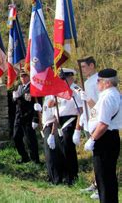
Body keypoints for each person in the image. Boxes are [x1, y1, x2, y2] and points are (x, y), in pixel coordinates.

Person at [84, 68, 121, 203]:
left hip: (104, 138)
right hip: (108, 137)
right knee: (107, 177)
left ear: (107, 83)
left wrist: (93, 139)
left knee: (103, 178)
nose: (97, 83)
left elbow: (104, 123)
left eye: (98, 81)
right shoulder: (112, 95)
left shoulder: (108, 97)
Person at [46, 68, 83, 185]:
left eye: (64, 79)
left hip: (71, 121)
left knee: (68, 150)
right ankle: (64, 176)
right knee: (60, 150)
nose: (62, 81)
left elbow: (81, 111)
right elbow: (57, 114)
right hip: (60, 122)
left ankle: (72, 177)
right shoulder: (59, 90)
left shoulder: (76, 90)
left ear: (70, 77)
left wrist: (78, 129)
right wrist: (52, 133)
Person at [75, 56, 100, 198]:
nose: (82, 70)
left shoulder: (98, 81)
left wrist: (87, 99)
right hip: (88, 122)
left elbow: (99, 105)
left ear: (92, 66)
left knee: (99, 157)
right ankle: (95, 183)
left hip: (97, 123)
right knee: (94, 157)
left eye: (84, 67)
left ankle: (99, 186)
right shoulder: (87, 82)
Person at [12, 71, 40, 164]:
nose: (23, 78)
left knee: (30, 140)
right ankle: (24, 157)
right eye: (21, 76)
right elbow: (16, 102)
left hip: (29, 117)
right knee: (16, 137)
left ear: (29, 76)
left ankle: (35, 160)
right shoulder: (19, 87)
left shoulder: (33, 87)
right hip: (19, 117)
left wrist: (36, 118)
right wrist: (14, 98)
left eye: (25, 76)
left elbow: (37, 103)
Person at [36, 96, 64, 184]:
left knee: (51, 154)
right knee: (48, 154)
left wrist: (52, 133)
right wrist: (39, 111)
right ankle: (51, 176)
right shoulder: (47, 96)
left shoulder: (53, 96)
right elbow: (45, 115)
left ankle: (56, 178)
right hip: (46, 126)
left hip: (51, 126)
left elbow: (55, 117)